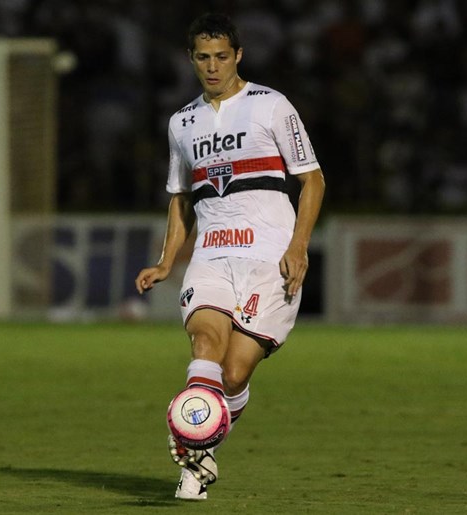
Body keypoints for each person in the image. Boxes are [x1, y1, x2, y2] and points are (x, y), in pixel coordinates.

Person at [134, 12, 325, 501]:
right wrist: (165, 260)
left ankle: (203, 435)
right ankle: (194, 460)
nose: (213, 66)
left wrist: (298, 245)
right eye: (203, 57)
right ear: (192, 60)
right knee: (205, 344)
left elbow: (312, 179)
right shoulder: (182, 122)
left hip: (269, 258)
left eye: (222, 56)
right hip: (213, 255)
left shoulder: (270, 105)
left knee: (236, 371)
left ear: (238, 55)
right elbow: (181, 198)